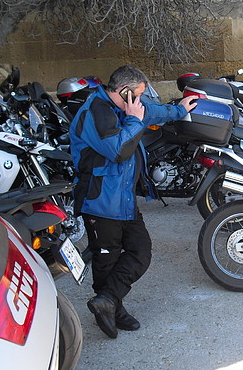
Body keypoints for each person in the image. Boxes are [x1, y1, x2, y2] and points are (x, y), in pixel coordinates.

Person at [69, 65, 198, 338]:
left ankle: (107, 301)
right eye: (137, 94)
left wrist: (180, 109)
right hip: (100, 200)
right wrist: (133, 120)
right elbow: (118, 150)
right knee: (107, 259)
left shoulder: (127, 107)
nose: (140, 100)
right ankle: (111, 309)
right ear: (125, 92)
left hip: (123, 198)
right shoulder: (95, 113)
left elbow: (151, 112)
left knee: (141, 251)